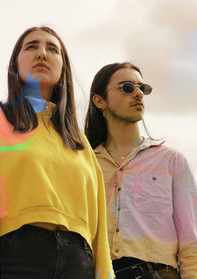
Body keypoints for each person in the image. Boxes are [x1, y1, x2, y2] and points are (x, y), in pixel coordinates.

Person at [0, 26, 113, 279]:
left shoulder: (80, 141)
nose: (42, 53)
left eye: (52, 49)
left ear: (63, 69)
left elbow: (99, 232)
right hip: (17, 258)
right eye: (31, 47)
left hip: (79, 262)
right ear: (14, 65)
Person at [84, 62, 197, 278]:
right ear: (99, 101)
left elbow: (191, 241)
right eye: (127, 87)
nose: (137, 93)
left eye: (142, 88)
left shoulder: (171, 161)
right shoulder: (85, 163)